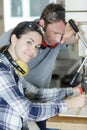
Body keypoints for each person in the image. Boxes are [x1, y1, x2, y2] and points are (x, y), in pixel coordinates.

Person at [0, 3, 81, 130]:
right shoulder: (2, 69)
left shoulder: (14, 70)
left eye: (37, 47)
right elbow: (29, 111)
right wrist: (68, 104)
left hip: (29, 115)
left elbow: (36, 93)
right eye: (29, 43)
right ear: (14, 39)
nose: (33, 51)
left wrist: (74, 91)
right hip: (28, 111)